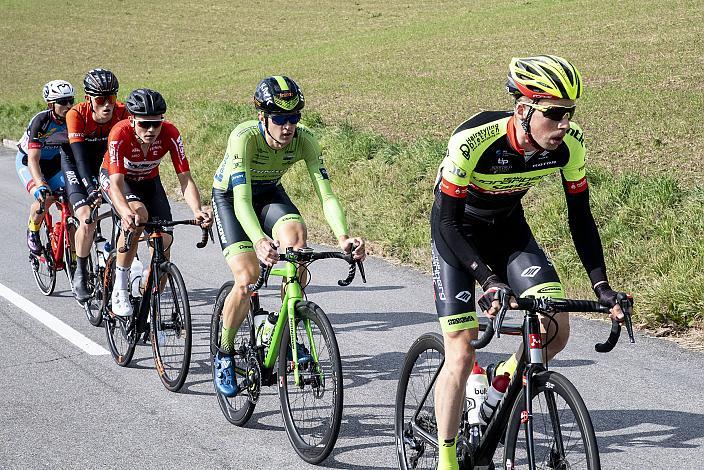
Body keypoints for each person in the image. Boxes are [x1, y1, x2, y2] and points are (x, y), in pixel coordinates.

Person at [430, 55, 628, 470]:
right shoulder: (474, 139)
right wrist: (486, 280)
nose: (565, 124)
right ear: (523, 110)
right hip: (458, 234)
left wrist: (601, 286)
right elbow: (446, 222)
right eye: (555, 114)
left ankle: (503, 378)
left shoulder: (568, 146)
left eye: (569, 113)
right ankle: (447, 457)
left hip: (509, 230)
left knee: (554, 326)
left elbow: (581, 218)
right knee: (461, 353)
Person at [211, 75, 366, 397]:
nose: (288, 127)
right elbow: (241, 201)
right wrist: (258, 240)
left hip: (268, 193)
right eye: (280, 118)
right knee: (247, 277)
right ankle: (224, 353)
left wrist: (343, 237)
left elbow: (326, 194)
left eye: (293, 118)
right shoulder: (244, 137)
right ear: (262, 117)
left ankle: (287, 331)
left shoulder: (305, 140)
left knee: (297, 245)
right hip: (231, 197)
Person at [101, 88, 212, 317]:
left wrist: (197, 210)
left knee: (164, 245)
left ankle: (147, 306)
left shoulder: (170, 133)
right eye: (144, 124)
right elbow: (116, 184)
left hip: (150, 182)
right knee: (138, 216)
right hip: (119, 181)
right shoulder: (119, 133)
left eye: (156, 123)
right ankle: (120, 287)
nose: (151, 130)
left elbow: (185, 179)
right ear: (131, 120)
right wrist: (124, 213)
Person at [64, 68, 129, 301]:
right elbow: (80, 159)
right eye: (100, 99)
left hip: (105, 164)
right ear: (88, 99)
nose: (107, 105)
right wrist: (91, 189)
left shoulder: (123, 112)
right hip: (76, 163)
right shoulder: (76, 114)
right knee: (86, 218)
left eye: (111, 98)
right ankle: (80, 273)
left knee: (124, 211)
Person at [15, 80, 75, 254]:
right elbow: (33, 159)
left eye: (71, 100)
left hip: (54, 163)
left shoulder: (74, 119)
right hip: (29, 162)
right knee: (46, 197)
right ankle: (33, 231)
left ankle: (74, 256)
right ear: (51, 104)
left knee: (70, 202)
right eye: (63, 102)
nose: (69, 105)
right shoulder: (41, 121)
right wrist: (40, 183)